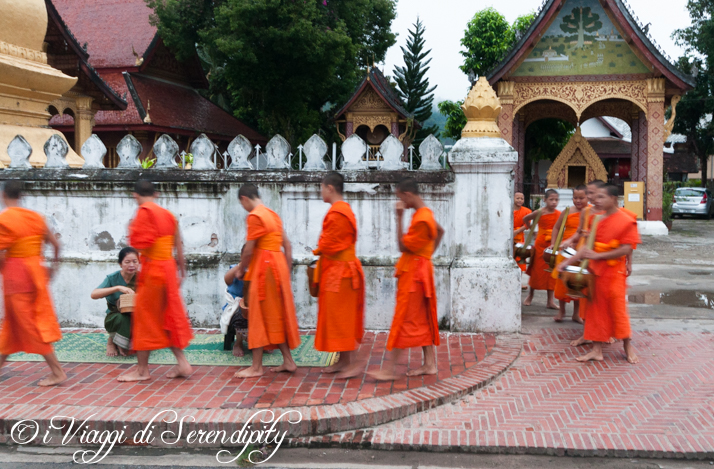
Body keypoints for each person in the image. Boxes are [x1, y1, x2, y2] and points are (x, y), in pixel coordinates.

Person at [118, 180, 194, 382]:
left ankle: (142, 371)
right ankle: (183, 363)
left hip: (154, 271)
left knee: (143, 319)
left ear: (136, 195)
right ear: (156, 193)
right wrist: (182, 272)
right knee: (166, 316)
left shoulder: (145, 212)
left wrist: (131, 227)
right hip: (169, 268)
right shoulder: (169, 215)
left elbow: (137, 243)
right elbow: (179, 245)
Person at [370, 178, 444, 380]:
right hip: (421, 270)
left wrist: (399, 217)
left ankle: (389, 369)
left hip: (415, 275)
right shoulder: (425, 214)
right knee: (422, 318)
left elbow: (402, 246)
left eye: (400, 197)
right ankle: (430, 364)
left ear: (408, 195)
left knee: (404, 319)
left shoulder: (420, 219)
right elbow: (440, 231)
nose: (399, 201)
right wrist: (427, 256)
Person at [558, 183, 640, 364]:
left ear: (613, 199)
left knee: (617, 310)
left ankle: (627, 346)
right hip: (595, 272)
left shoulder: (626, 220)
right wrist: (566, 262)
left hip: (614, 272)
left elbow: (626, 249)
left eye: (602, 197)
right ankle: (597, 350)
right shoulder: (595, 219)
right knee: (595, 311)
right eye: (596, 197)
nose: (597, 200)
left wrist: (599, 255)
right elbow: (587, 248)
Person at [0, 180, 66, 386]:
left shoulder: (6, 219)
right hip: (35, 274)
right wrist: (52, 269)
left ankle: (57, 372)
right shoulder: (35, 217)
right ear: (21, 196)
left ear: (4, 196)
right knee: (12, 325)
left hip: (16, 278)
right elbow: (56, 245)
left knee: (29, 326)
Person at [233, 184, 300, 378]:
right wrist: (285, 271)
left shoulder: (255, 216)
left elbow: (248, 249)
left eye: (242, 203)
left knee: (259, 317)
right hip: (277, 267)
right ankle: (288, 360)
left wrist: (241, 269)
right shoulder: (273, 215)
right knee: (274, 316)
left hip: (264, 268)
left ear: (245, 199)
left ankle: (256, 367)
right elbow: (287, 245)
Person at [313, 172, 365, 379]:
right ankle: (343, 360)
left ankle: (352, 363)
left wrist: (318, 250)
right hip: (338, 270)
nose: (320, 191)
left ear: (330, 188)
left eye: (321, 187)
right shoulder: (341, 210)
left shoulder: (338, 213)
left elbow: (329, 244)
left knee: (342, 318)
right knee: (336, 316)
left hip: (342, 273)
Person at [91, 247, 139, 356]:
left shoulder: (142, 277)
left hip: (136, 315)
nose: (132, 265)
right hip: (116, 316)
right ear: (120, 264)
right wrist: (117, 288)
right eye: (127, 262)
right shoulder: (112, 278)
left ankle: (126, 342)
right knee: (122, 318)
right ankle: (111, 341)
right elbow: (94, 294)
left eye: (135, 261)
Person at [551, 185, 588, 323]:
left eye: (581, 198)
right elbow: (556, 227)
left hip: (581, 252)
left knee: (577, 282)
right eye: (575, 198)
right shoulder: (567, 211)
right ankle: (562, 311)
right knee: (562, 283)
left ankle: (576, 313)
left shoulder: (590, 212)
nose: (578, 201)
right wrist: (554, 245)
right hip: (565, 252)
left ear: (588, 197)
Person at [523, 190, 561, 309]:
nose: (554, 202)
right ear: (544, 200)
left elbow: (560, 229)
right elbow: (525, 219)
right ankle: (530, 295)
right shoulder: (539, 212)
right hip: (541, 244)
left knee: (550, 273)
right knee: (537, 271)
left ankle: (550, 300)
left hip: (553, 244)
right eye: (551, 199)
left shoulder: (559, 214)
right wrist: (532, 231)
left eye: (556, 200)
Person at [513, 192, 532, 278]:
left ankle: (519, 282)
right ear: (513, 198)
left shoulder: (527, 211)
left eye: (522, 198)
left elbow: (527, 225)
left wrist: (516, 232)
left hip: (519, 237)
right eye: (517, 198)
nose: (520, 200)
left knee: (520, 258)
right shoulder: (507, 209)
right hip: (508, 237)